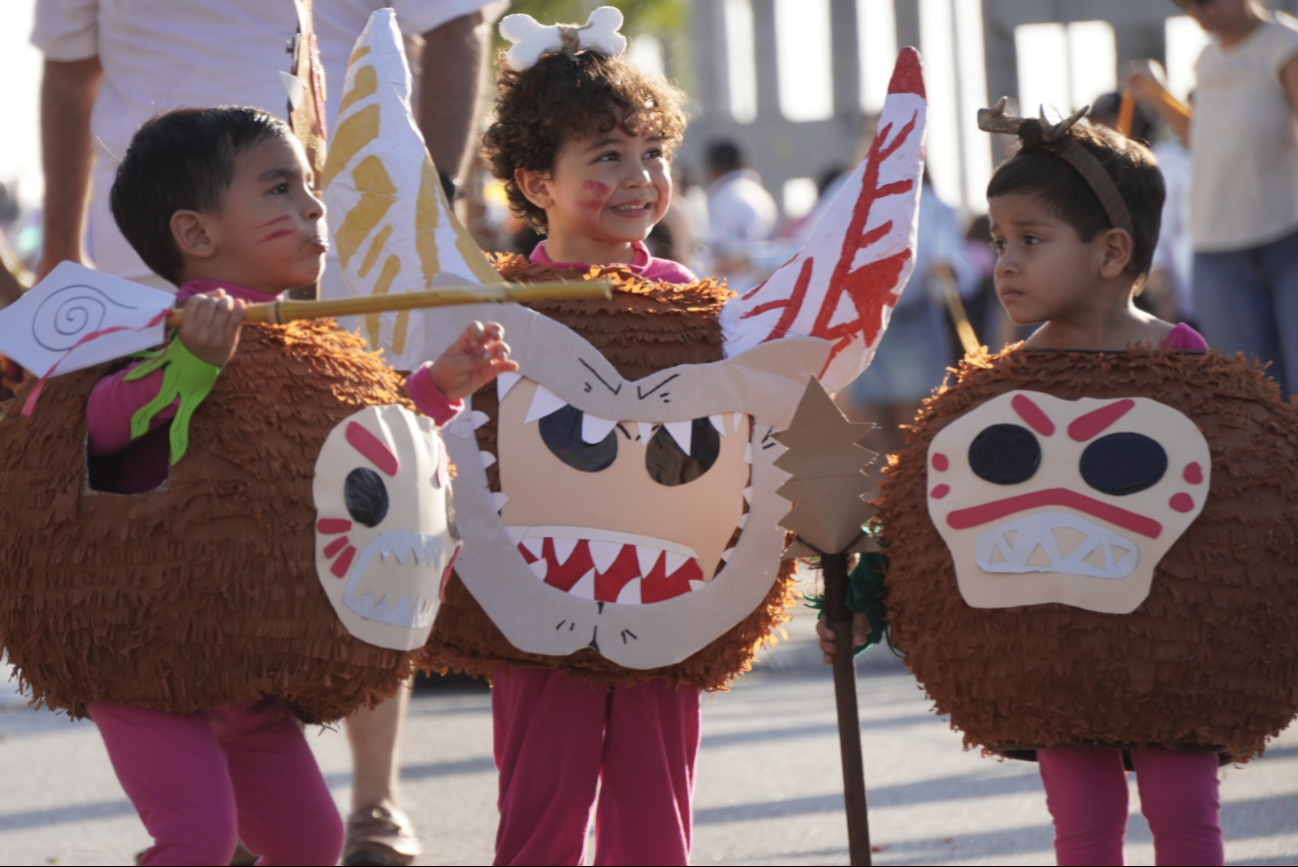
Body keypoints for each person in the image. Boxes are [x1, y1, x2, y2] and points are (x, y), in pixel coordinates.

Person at [31, 3, 503, 862]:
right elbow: (108, 437)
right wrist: (190, 367)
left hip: (243, 664)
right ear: (197, 234)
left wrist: (441, 387)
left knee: (310, 841)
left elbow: (357, 438)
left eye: (307, 184)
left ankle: (373, 796)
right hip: (149, 658)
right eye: (280, 189)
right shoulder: (158, 329)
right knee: (198, 837)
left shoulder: (304, 335)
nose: (315, 205)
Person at [821, 116, 1225, 866]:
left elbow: (1245, 495)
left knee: (1187, 815)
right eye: (1001, 241)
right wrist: (864, 599)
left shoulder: (1183, 360)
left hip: (1169, 647)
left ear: (1111, 251)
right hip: (1053, 645)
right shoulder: (999, 385)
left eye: (1030, 240)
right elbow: (929, 515)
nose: (1004, 263)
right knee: (1081, 822)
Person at [477, 22, 700, 865]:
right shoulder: (497, 304)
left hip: (665, 581)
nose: (639, 178)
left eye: (652, 152)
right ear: (537, 180)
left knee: (657, 808)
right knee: (542, 802)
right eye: (606, 156)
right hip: (537, 586)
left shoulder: (694, 303)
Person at [1125, 0, 1298, 394]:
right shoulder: (1206, 57)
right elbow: (1203, 140)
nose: (1196, 13)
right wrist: (1156, 95)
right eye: (1184, 5)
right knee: (1248, 395)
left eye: (1203, 1)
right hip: (1218, 253)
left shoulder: (1285, 45)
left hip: (1288, 238)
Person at [702, 138, 778, 293]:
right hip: (762, 290)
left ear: (712, 169)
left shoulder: (731, 196)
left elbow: (739, 254)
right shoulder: (757, 192)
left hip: (741, 293)